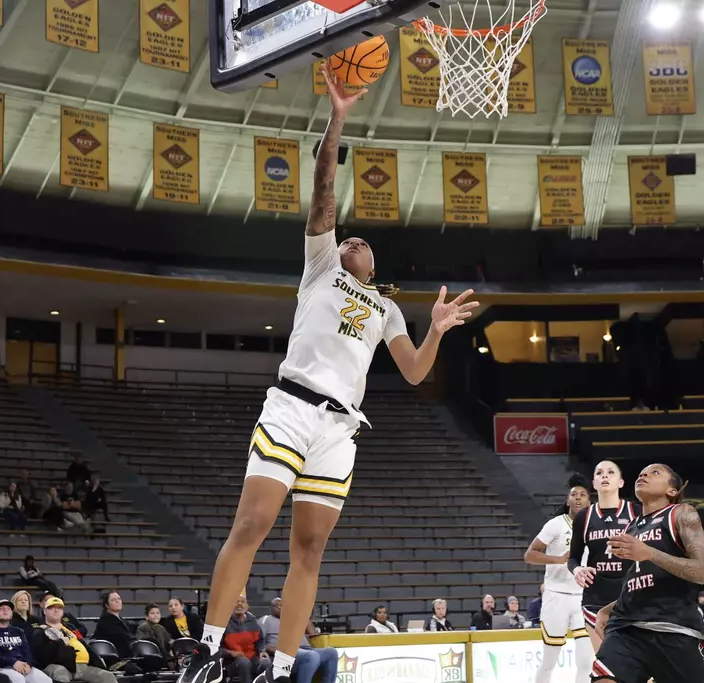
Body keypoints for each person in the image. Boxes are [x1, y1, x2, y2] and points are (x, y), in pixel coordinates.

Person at [178, 62, 477, 683]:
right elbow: (322, 192)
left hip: (341, 429)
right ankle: (205, 649)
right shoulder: (320, 269)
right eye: (347, 237)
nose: (352, 241)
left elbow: (416, 374)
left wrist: (438, 331)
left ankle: (284, 665)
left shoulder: (388, 306)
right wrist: (336, 117)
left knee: (308, 549)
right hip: (292, 404)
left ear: (375, 263)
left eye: (362, 243)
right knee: (253, 524)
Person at [593, 464, 704, 683]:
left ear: (672, 490)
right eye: (641, 473)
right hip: (626, 627)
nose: (643, 474)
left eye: (655, 472)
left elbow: (701, 571)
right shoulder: (631, 528)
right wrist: (608, 609)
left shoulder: (682, 513)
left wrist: (649, 553)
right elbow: (639, 583)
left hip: (675, 627)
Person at [524, 476, 592, 683]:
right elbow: (530, 554)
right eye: (574, 495)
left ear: (590, 502)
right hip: (557, 596)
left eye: (583, 495)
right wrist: (558, 559)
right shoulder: (555, 524)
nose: (578, 498)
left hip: (583, 598)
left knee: (586, 661)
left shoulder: (595, 527)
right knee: (549, 660)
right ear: (567, 501)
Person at [568, 460, 638, 652]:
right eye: (599, 473)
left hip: (631, 595)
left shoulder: (635, 512)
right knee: (607, 666)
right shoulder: (584, 516)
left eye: (610, 472)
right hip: (595, 597)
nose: (604, 476)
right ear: (594, 483)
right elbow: (573, 557)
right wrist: (577, 569)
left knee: (642, 669)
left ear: (621, 482)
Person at [31, 597, 114, 683]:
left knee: (107, 676)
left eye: (59, 608)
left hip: (83, 666)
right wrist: (60, 643)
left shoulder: (70, 627)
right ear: (44, 611)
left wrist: (98, 661)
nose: (56, 610)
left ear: (63, 612)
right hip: (59, 666)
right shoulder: (40, 631)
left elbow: (83, 643)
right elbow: (41, 656)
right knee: (60, 674)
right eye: (51, 607)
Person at [256, 598, 334, 683]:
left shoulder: (293, 619)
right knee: (312, 656)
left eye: (282, 605)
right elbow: (261, 642)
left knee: (331, 652)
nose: (279, 607)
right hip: (288, 651)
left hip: (306, 649)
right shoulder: (266, 620)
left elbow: (313, 633)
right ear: (271, 608)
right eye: (276, 605)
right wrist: (273, 650)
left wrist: (304, 617)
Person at [0, 599, 51, 683]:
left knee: (46, 680)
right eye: (1, 608)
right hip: (1, 667)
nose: (5, 610)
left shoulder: (18, 631)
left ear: (12, 614)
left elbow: (27, 651)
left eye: (8, 609)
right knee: (19, 679)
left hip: (22, 665)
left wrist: (28, 664)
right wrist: (13, 662)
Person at [221, 595, 269, 683]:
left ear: (247, 606)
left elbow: (260, 641)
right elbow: (216, 648)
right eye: (236, 601)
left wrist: (262, 651)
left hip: (253, 657)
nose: (239, 604)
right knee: (244, 663)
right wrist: (231, 653)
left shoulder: (254, 621)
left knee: (265, 663)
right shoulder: (223, 622)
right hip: (231, 661)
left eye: (242, 602)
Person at [92, 592, 135, 659]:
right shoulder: (106, 620)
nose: (117, 601)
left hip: (125, 655)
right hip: (115, 658)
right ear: (107, 605)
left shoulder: (122, 620)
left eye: (119, 599)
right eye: (113, 600)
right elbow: (123, 638)